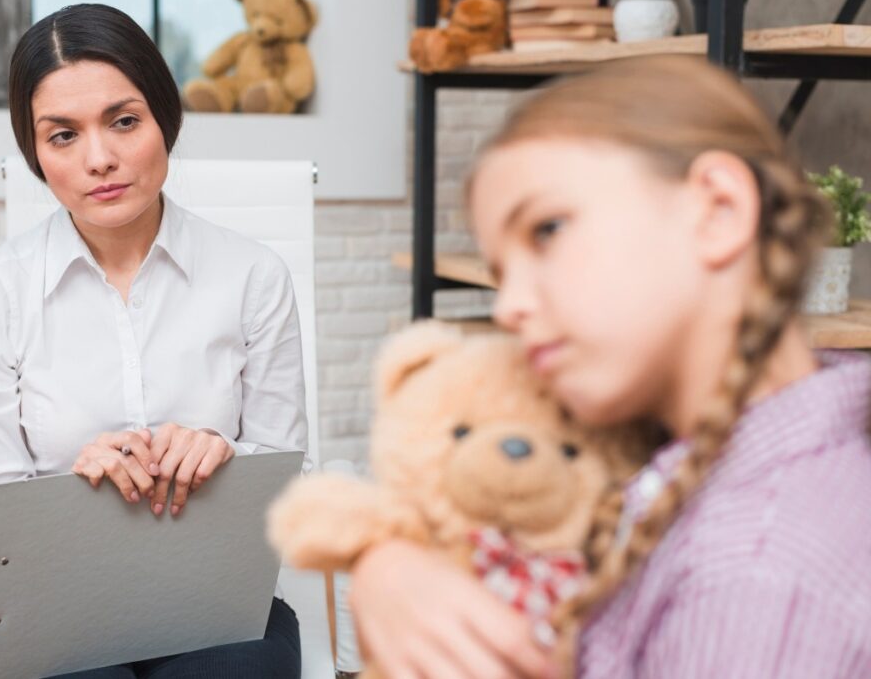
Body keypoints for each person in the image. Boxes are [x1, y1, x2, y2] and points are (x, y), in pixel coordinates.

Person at [349, 55, 871, 678]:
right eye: (500, 274)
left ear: (719, 210)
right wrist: (389, 569)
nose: (510, 306)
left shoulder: (753, 574)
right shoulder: (711, 461)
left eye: (546, 229)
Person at [0, 4, 306, 678]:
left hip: (213, 599)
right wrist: (72, 498)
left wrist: (228, 452)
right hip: (40, 600)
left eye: (124, 121)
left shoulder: (254, 276)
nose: (99, 159)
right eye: (62, 136)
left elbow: (289, 477)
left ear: (164, 119)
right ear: (36, 153)